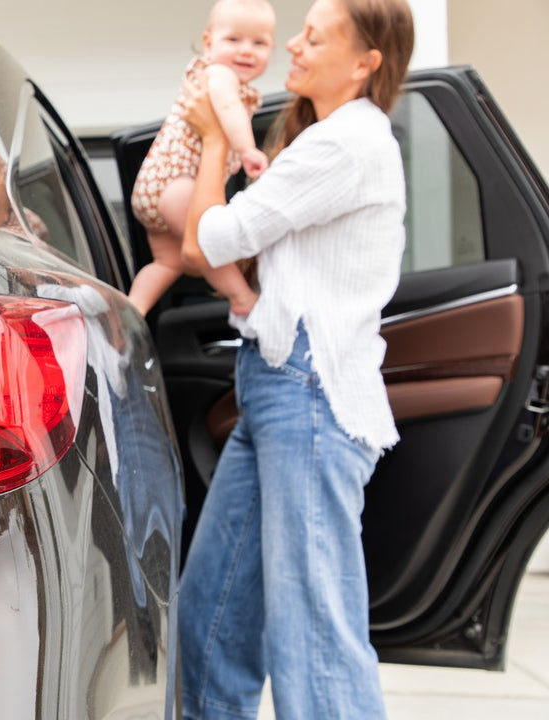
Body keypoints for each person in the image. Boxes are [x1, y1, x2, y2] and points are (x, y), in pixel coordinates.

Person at [175, 0, 415, 718]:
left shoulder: (344, 144)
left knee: (315, 639)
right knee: (212, 617)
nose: (296, 46)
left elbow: (209, 240)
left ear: (367, 60)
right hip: (276, 387)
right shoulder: (327, 140)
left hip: (308, 394)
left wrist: (213, 139)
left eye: (316, 35)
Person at [127, 0, 275, 317]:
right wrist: (248, 149)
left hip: (156, 187)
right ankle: (242, 297)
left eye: (259, 42)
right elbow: (226, 109)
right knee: (210, 240)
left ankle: (132, 311)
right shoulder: (219, 74)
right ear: (209, 43)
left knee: (168, 262)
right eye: (233, 40)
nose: (246, 51)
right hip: (176, 183)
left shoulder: (221, 77)